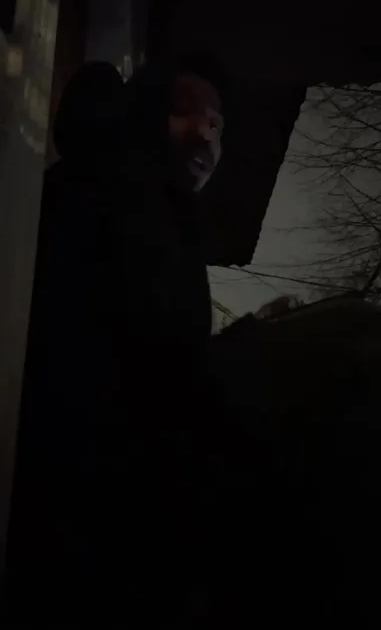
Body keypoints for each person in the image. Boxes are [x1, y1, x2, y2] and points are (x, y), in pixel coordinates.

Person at [5, 54, 230, 622]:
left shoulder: (158, 212)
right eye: (186, 110)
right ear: (146, 111)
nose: (206, 133)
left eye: (217, 124)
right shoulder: (115, 195)